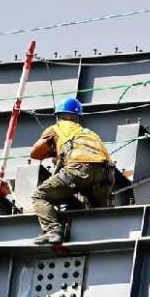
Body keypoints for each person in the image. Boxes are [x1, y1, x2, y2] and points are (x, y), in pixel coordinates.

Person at [27, 97, 114, 244]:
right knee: (92, 210)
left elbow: (35, 153)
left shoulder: (56, 128)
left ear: (58, 116)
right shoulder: (89, 133)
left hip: (78, 170)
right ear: (78, 118)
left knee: (40, 195)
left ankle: (52, 231)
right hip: (105, 177)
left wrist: (53, 151)